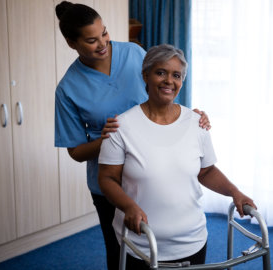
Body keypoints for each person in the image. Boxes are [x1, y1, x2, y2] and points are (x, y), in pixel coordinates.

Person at [54, 2, 210, 270]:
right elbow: (75, 152)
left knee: (168, 251)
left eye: (104, 33)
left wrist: (189, 116)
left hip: (157, 171)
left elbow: (166, 92)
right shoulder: (68, 88)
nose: (103, 43)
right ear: (71, 43)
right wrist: (110, 139)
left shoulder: (135, 53)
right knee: (122, 255)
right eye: (92, 40)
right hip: (111, 183)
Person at [98, 44, 256, 269]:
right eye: (160, 72)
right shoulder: (121, 126)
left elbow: (207, 171)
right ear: (146, 75)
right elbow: (107, 179)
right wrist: (129, 206)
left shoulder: (197, 123)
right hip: (142, 241)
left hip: (191, 240)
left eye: (176, 75)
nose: (168, 81)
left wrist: (235, 192)